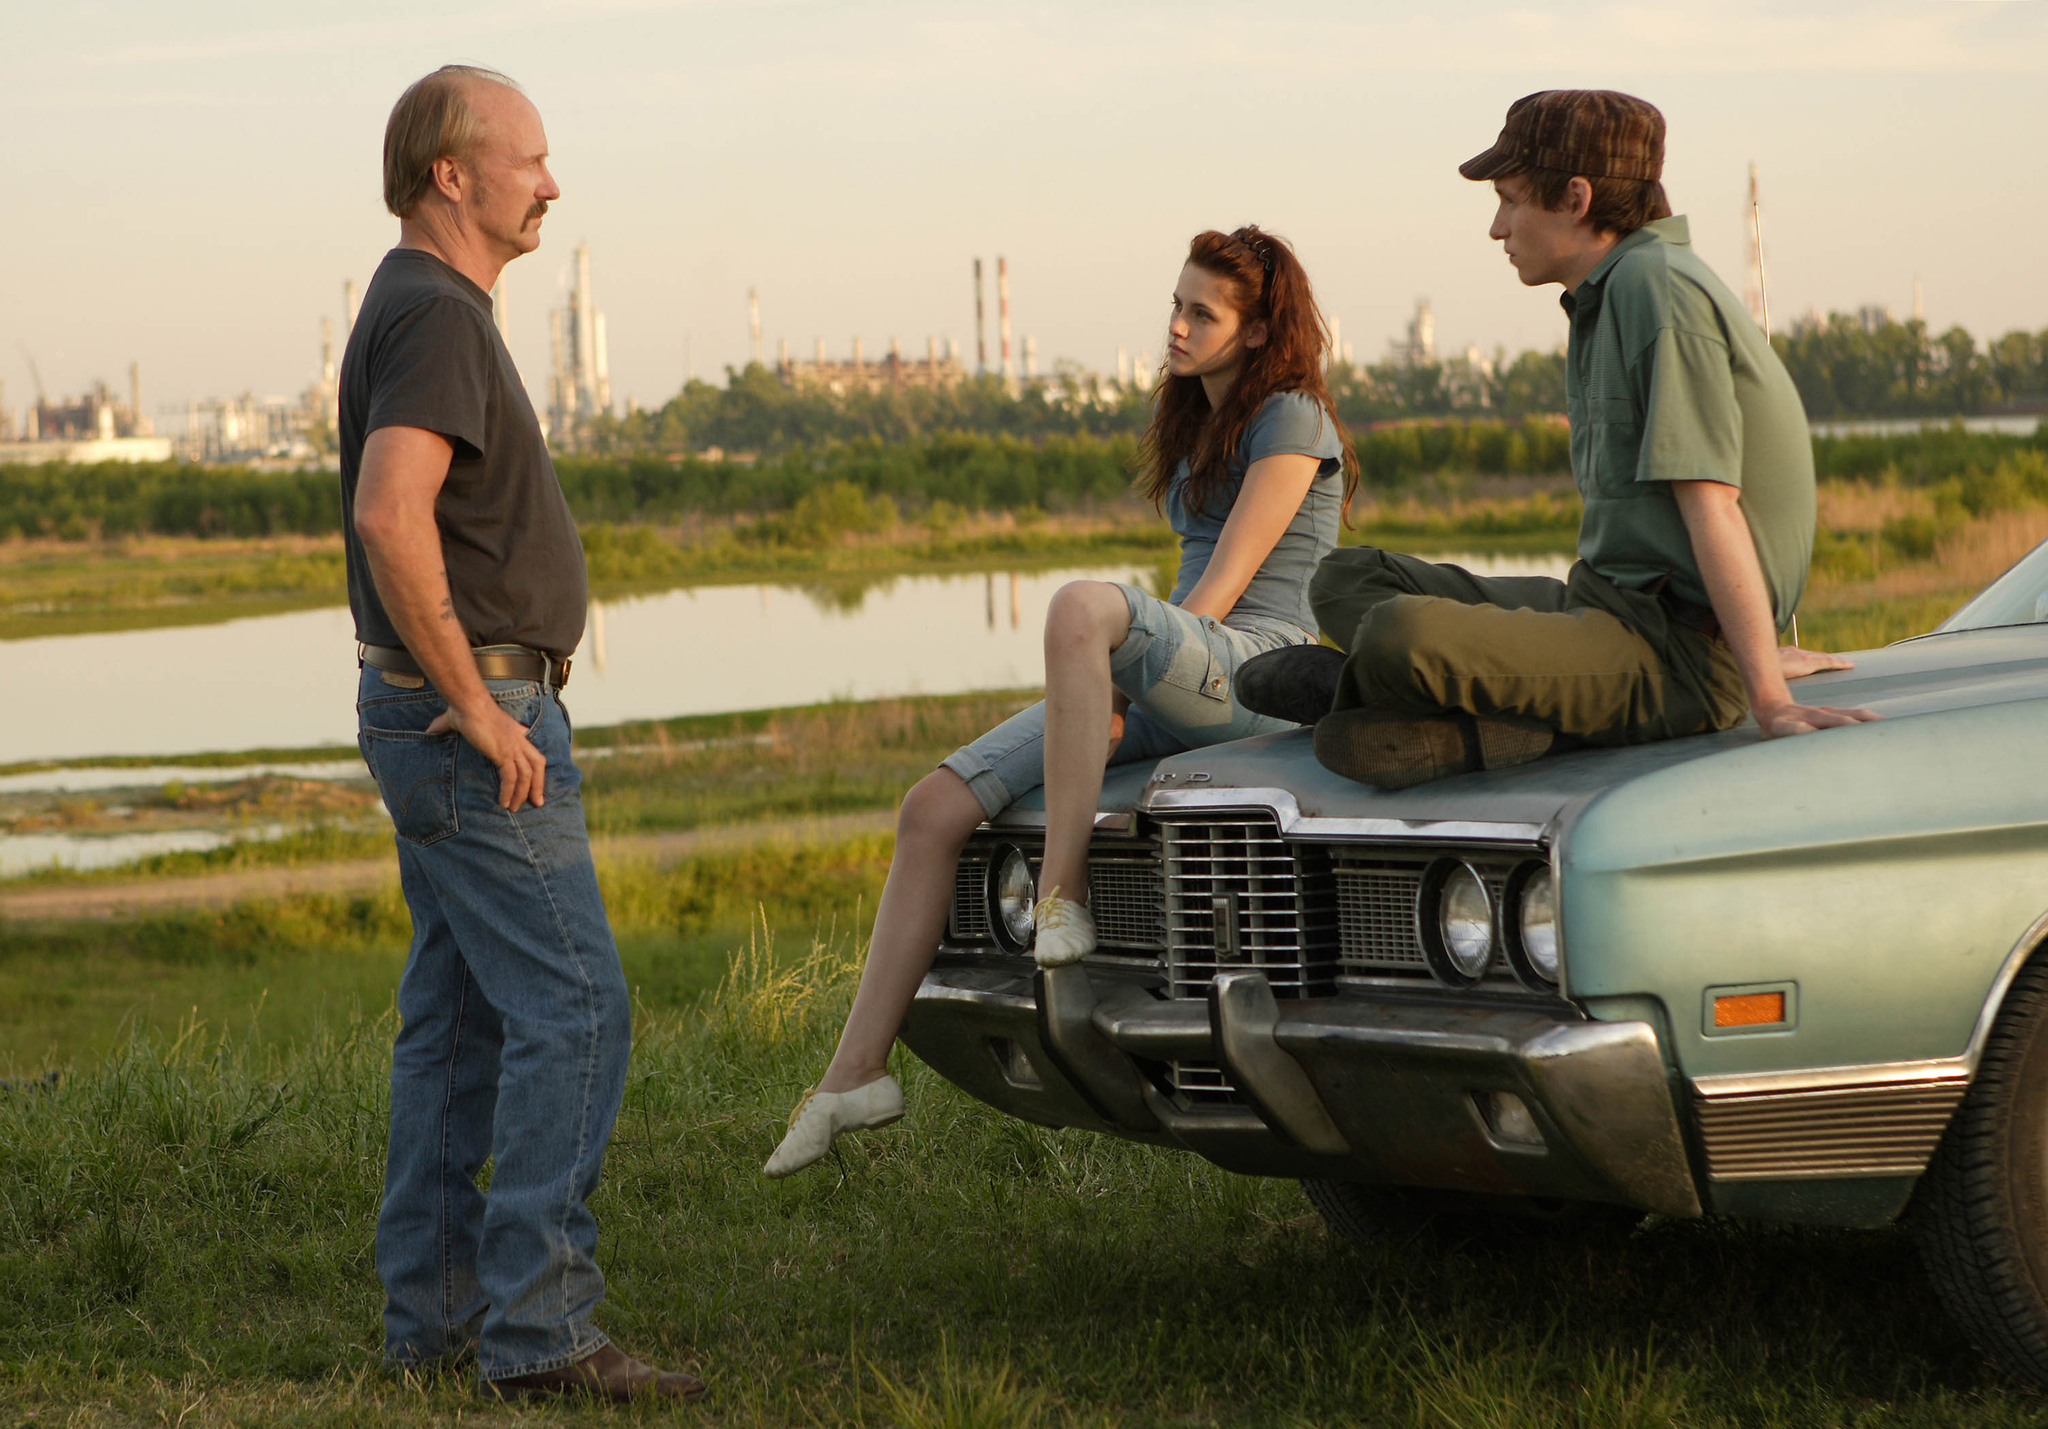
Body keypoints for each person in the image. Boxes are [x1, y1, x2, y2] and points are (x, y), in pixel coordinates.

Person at [764, 227, 1354, 1177]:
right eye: (1176, 303)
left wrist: (1126, 672)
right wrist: (1121, 687)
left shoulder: (1292, 416)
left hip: (1261, 668)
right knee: (932, 809)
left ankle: (1060, 891)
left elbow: (1218, 596)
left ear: (1255, 331)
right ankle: (853, 1074)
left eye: (1202, 312)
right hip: (1185, 669)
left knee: (1083, 606)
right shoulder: (1199, 418)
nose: (1176, 325)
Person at [341, 66, 702, 1404]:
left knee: (459, 1020)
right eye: (530, 160)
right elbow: (392, 515)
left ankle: (433, 1316)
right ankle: (542, 1329)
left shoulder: (420, 303)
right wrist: (487, 707)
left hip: (429, 711)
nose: (550, 184)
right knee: (578, 1003)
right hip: (464, 717)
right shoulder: (437, 313)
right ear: (454, 174)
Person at [1236, 89, 1876, 787]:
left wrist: (1765, 693)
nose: (1497, 227)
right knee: (1347, 576)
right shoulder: (1607, 295)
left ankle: (1422, 709)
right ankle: (1465, 715)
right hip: (1607, 612)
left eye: (1510, 199)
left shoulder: (1656, 289)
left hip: (1675, 654)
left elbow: (1713, 502)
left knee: (1400, 631)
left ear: (1576, 198)